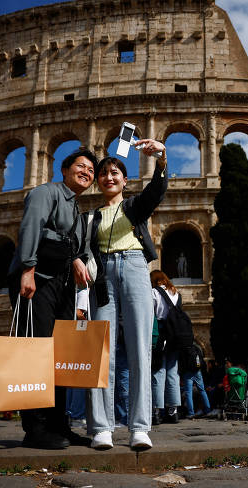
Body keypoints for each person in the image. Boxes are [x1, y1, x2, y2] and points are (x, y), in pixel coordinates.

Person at [7, 148, 97, 449]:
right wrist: (27, 270)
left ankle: (60, 424)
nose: (86, 172)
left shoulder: (77, 208)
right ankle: (35, 428)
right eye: (80, 166)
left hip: (62, 286)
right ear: (65, 169)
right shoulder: (45, 193)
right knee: (36, 351)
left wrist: (78, 261)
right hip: (38, 280)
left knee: (60, 358)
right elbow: (31, 228)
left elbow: (75, 248)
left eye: (91, 170)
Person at [85, 139, 168, 451]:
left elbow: (156, 191)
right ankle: (101, 428)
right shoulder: (91, 217)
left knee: (139, 349)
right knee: (100, 351)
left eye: (115, 172)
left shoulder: (134, 206)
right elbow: (82, 250)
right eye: (104, 173)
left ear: (125, 179)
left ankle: (139, 428)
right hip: (103, 276)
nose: (109, 176)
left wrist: (160, 157)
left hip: (134, 267)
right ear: (98, 181)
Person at [150, 270, 181, 425]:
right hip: (175, 335)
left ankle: (156, 411)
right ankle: (173, 411)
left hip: (161, 333)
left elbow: (152, 315)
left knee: (158, 371)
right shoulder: (175, 292)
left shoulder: (153, 292)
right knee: (173, 373)